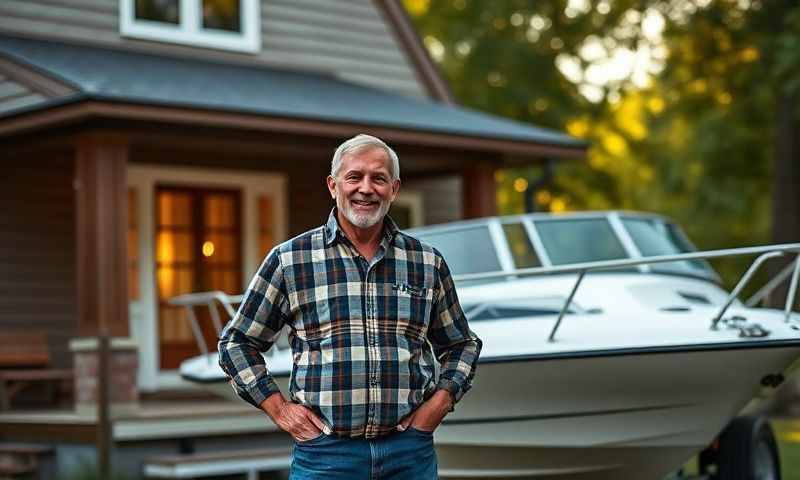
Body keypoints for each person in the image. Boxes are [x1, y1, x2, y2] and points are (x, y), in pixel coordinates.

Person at [218, 133, 482, 479]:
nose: (366, 188)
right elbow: (236, 343)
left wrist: (440, 403)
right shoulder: (291, 260)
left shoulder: (426, 262)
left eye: (379, 178)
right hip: (326, 455)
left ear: (395, 188)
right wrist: (279, 409)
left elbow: (462, 344)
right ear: (333, 185)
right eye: (354, 177)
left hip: (409, 454)